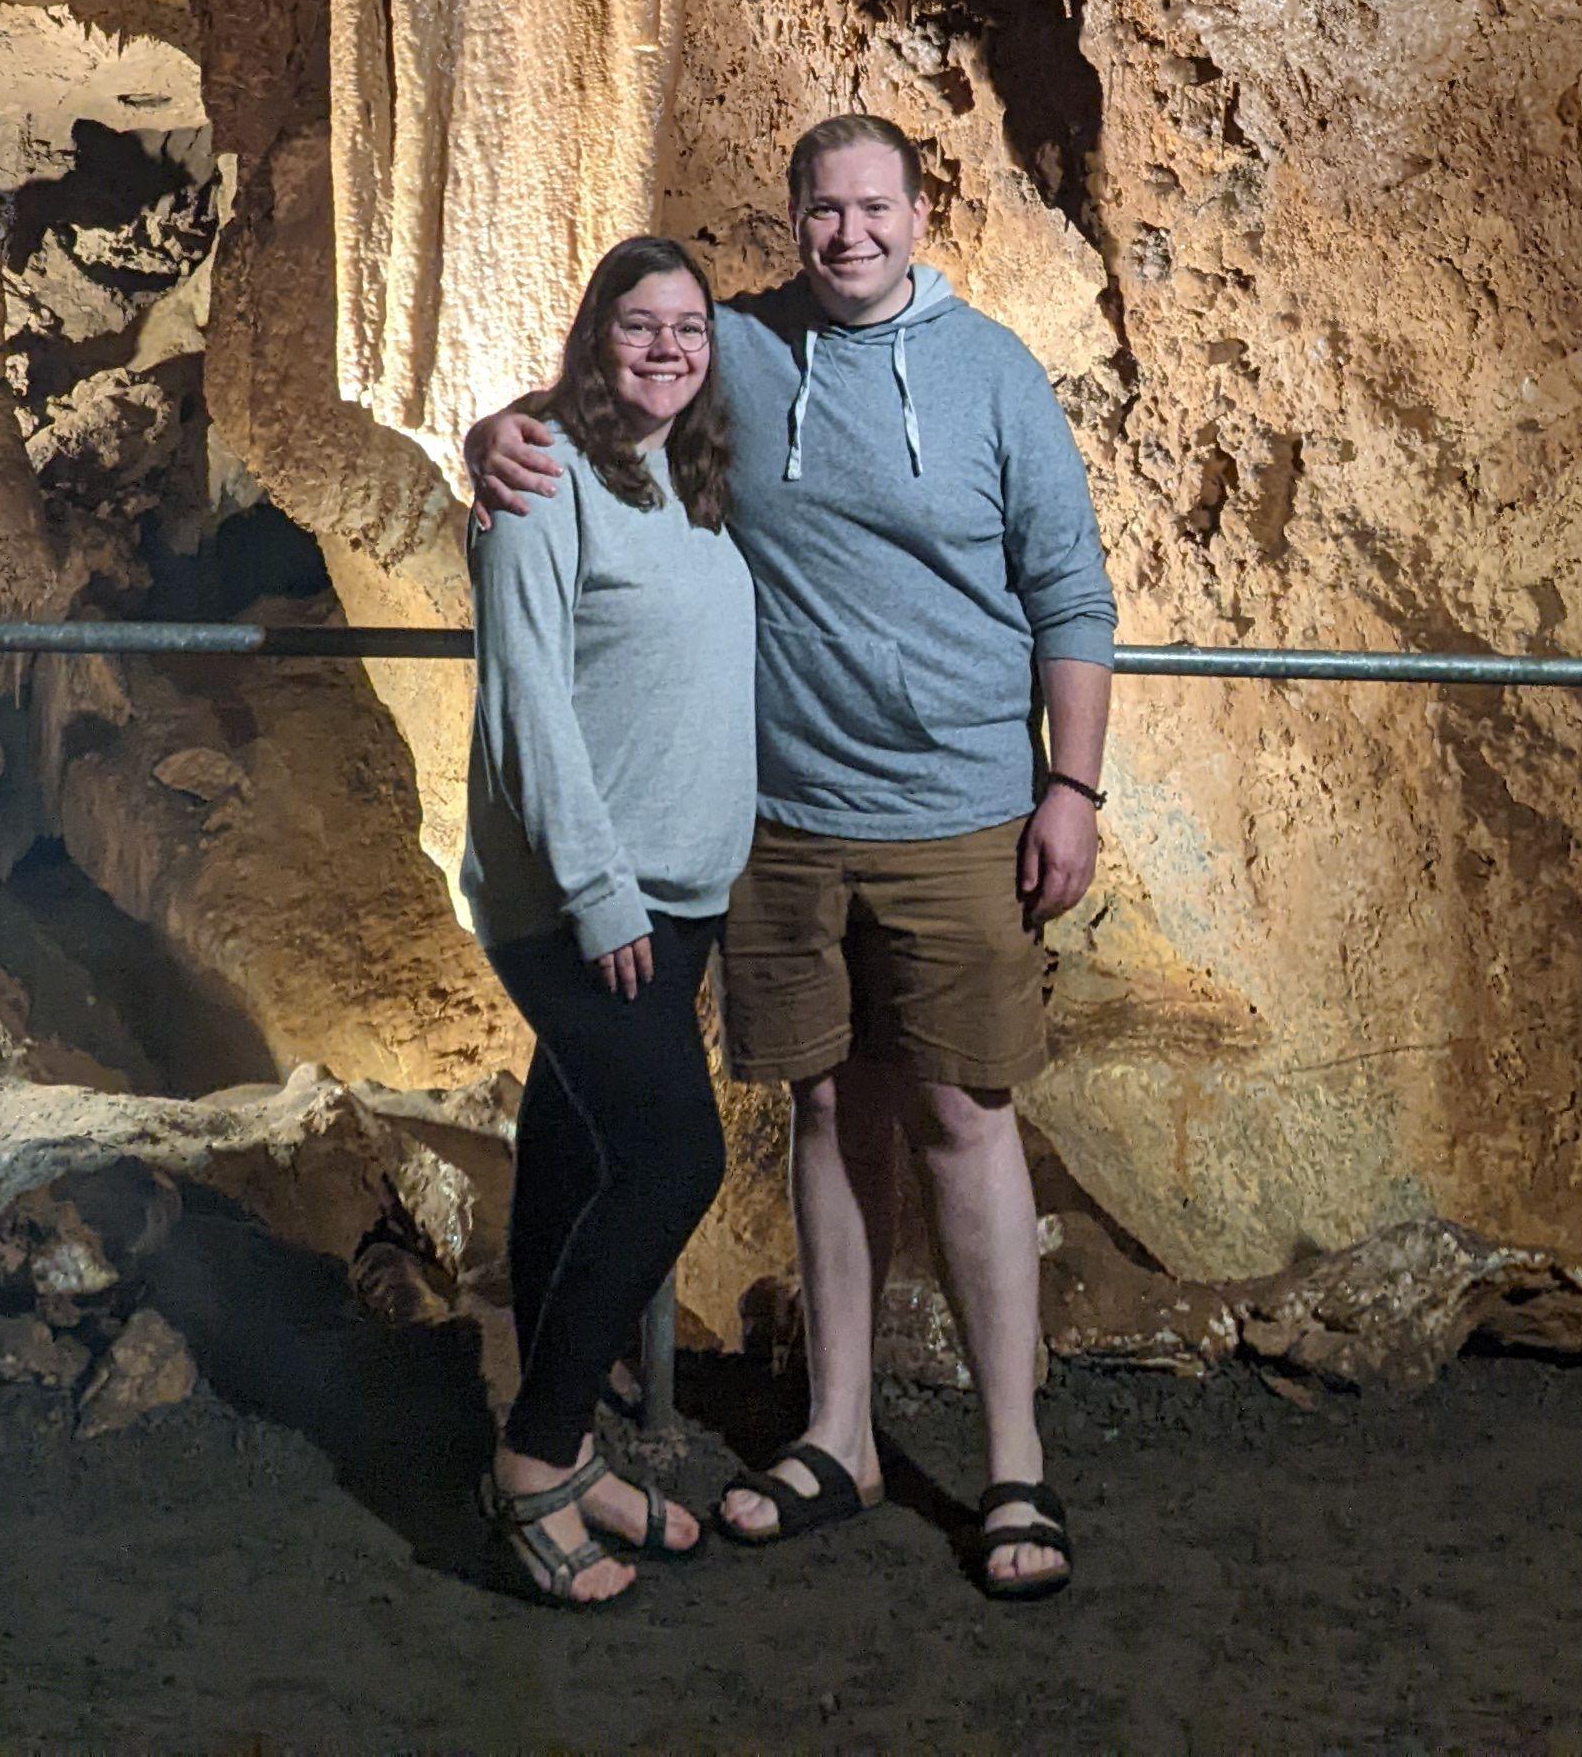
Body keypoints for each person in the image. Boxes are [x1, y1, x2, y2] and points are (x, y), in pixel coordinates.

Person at [468, 116, 1112, 1601]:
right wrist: (492, 430)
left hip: (960, 811)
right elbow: (616, 385)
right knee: (826, 1109)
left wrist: (1068, 785)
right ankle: (838, 1434)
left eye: (875, 208)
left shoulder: (995, 374)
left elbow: (1070, 588)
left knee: (961, 1111)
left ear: (920, 214)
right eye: (824, 211)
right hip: (789, 824)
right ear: (796, 221)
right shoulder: (748, 350)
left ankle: (1014, 1461)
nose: (850, 235)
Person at [462, 232, 756, 1607]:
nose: (664, 348)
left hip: (677, 895)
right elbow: (527, 697)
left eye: (686, 328)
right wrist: (595, 889)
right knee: (673, 1161)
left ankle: (573, 1449)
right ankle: (532, 1462)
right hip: (587, 902)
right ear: (594, 337)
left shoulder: (690, 485)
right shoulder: (541, 476)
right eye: (636, 326)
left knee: (576, 1161)